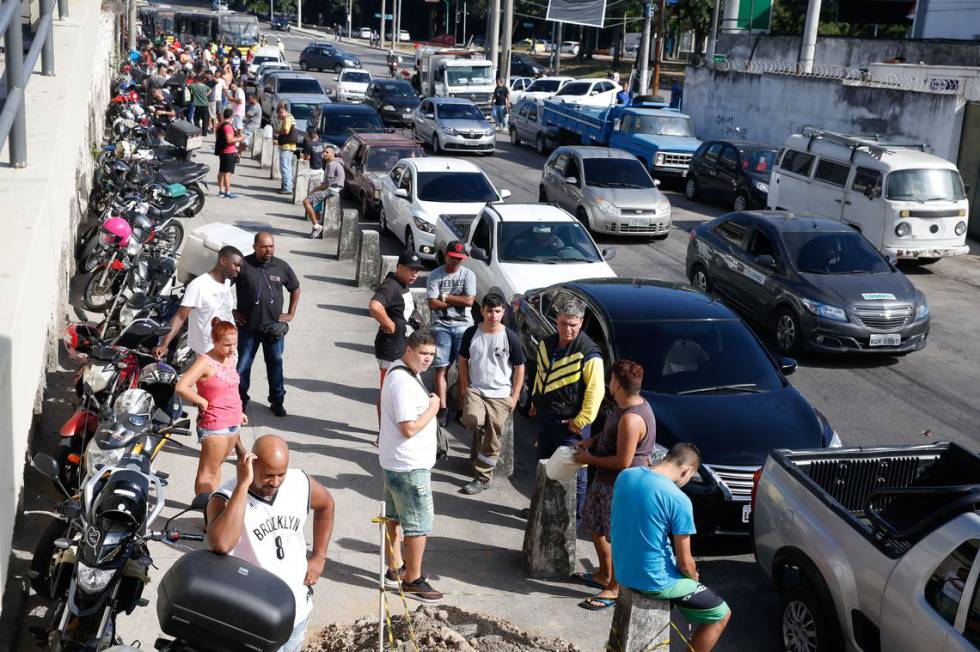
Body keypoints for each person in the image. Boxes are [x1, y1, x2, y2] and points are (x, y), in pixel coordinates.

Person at [208, 435, 336, 652]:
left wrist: (319, 556)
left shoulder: (299, 482)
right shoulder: (224, 497)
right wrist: (242, 484)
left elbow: (326, 505)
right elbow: (221, 544)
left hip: (297, 610)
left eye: (281, 475)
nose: (275, 482)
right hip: (254, 617)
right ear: (252, 463)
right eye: (268, 475)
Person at [611, 443, 731, 651]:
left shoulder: (626, 475)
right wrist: (693, 577)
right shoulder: (678, 499)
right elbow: (685, 563)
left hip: (622, 570)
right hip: (654, 580)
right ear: (687, 471)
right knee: (721, 614)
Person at [573, 359, 657, 610]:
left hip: (622, 487)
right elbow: (610, 432)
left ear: (617, 385)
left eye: (611, 380)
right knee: (595, 527)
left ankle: (614, 588)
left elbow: (623, 460)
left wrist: (589, 459)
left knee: (619, 538)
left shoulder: (632, 419)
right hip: (604, 483)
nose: (608, 383)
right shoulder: (622, 407)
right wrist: (591, 442)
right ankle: (603, 574)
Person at [378, 331, 443, 603]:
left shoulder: (397, 369)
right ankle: (413, 580)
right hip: (409, 467)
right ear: (409, 350)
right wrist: (433, 407)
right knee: (418, 525)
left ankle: (395, 569)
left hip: (395, 462)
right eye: (422, 354)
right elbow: (408, 428)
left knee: (393, 519)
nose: (427, 360)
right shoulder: (403, 382)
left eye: (431, 355)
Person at [530, 297, 604, 524]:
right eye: (563, 323)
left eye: (573, 324)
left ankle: (573, 519)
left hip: (570, 425)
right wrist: (535, 401)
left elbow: (595, 391)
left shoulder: (589, 353)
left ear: (581, 322)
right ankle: (542, 509)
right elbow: (541, 374)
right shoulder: (546, 343)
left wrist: (580, 421)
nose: (568, 329)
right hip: (546, 418)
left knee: (575, 471)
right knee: (545, 464)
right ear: (556, 320)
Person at [457, 294, 525, 495]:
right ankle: (478, 435)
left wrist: (515, 395)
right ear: (482, 311)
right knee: (471, 420)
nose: (493, 315)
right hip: (477, 390)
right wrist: (466, 386)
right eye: (489, 310)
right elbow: (462, 360)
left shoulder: (510, 337)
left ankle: (483, 477)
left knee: (493, 436)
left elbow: (520, 367)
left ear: (503, 312)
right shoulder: (472, 333)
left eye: (497, 311)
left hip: (500, 394)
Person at [175, 318, 248, 494]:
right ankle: (204, 510)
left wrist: (240, 412)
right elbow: (181, 387)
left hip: (233, 423)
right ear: (214, 342)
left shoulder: (229, 359)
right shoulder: (205, 362)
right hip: (215, 426)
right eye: (227, 345)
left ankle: (212, 508)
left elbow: (231, 389)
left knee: (217, 468)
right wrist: (200, 400)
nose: (232, 349)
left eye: (234, 344)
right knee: (208, 472)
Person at [233, 232, 300, 418]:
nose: (268, 249)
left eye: (271, 246)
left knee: (275, 365)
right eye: (264, 246)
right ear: (254, 247)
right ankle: (240, 402)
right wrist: (232, 311)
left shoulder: (282, 266)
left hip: (274, 330)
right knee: (243, 367)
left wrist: (291, 313)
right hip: (248, 329)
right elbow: (223, 286)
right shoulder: (243, 265)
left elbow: (295, 288)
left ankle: (277, 401)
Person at [154, 246, 243, 360]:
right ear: (223, 261)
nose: (238, 269)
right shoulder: (198, 286)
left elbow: (220, 308)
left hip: (229, 353)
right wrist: (164, 344)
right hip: (209, 355)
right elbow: (180, 317)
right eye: (236, 265)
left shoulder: (226, 283)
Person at [426, 241, 476, 427]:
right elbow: (432, 303)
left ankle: (462, 409)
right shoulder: (435, 275)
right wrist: (458, 301)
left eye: (460, 259)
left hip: (464, 325)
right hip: (441, 325)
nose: (456, 262)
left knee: (465, 368)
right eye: (453, 258)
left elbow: (470, 301)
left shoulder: (468, 275)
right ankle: (443, 408)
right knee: (441, 367)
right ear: (446, 255)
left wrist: (445, 298)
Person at [369, 251, 423, 417]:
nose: (415, 273)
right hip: (391, 349)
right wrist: (390, 324)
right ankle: (383, 433)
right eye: (410, 269)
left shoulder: (401, 284)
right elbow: (375, 306)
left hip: (403, 346)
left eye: (417, 270)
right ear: (399, 267)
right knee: (388, 393)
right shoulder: (390, 286)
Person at [302, 145, 344, 238]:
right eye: (324, 152)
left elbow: (326, 185)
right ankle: (319, 221)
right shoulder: (336, 163)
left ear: (333, 154)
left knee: (306, 201)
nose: (324, 154)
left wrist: (313, 190)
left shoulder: (331, 164)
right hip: (334, 188)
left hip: (331, 189)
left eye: (327, 152)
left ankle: (316, 227)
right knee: (316, 204)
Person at [216, 108, 244, 198]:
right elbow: (229, 140)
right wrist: (241, 138)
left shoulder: (220, 125)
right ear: (231, 116)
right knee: (227, 174)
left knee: (221, 172)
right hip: (229, 152)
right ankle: (227, 192)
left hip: (222, 151)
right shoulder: (228, 127)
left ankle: (221, 190)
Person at [275, 103, 297, 194]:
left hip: (286, 146)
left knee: (284, 167)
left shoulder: (287, 119)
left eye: (281, 112)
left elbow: (286, 131)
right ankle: (287, 186)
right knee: (288, 167)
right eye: (279, 112)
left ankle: (287, 188)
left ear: (286, 112)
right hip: (290, 146)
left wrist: (278, 131)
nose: (279, 115)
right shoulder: (290, 118)